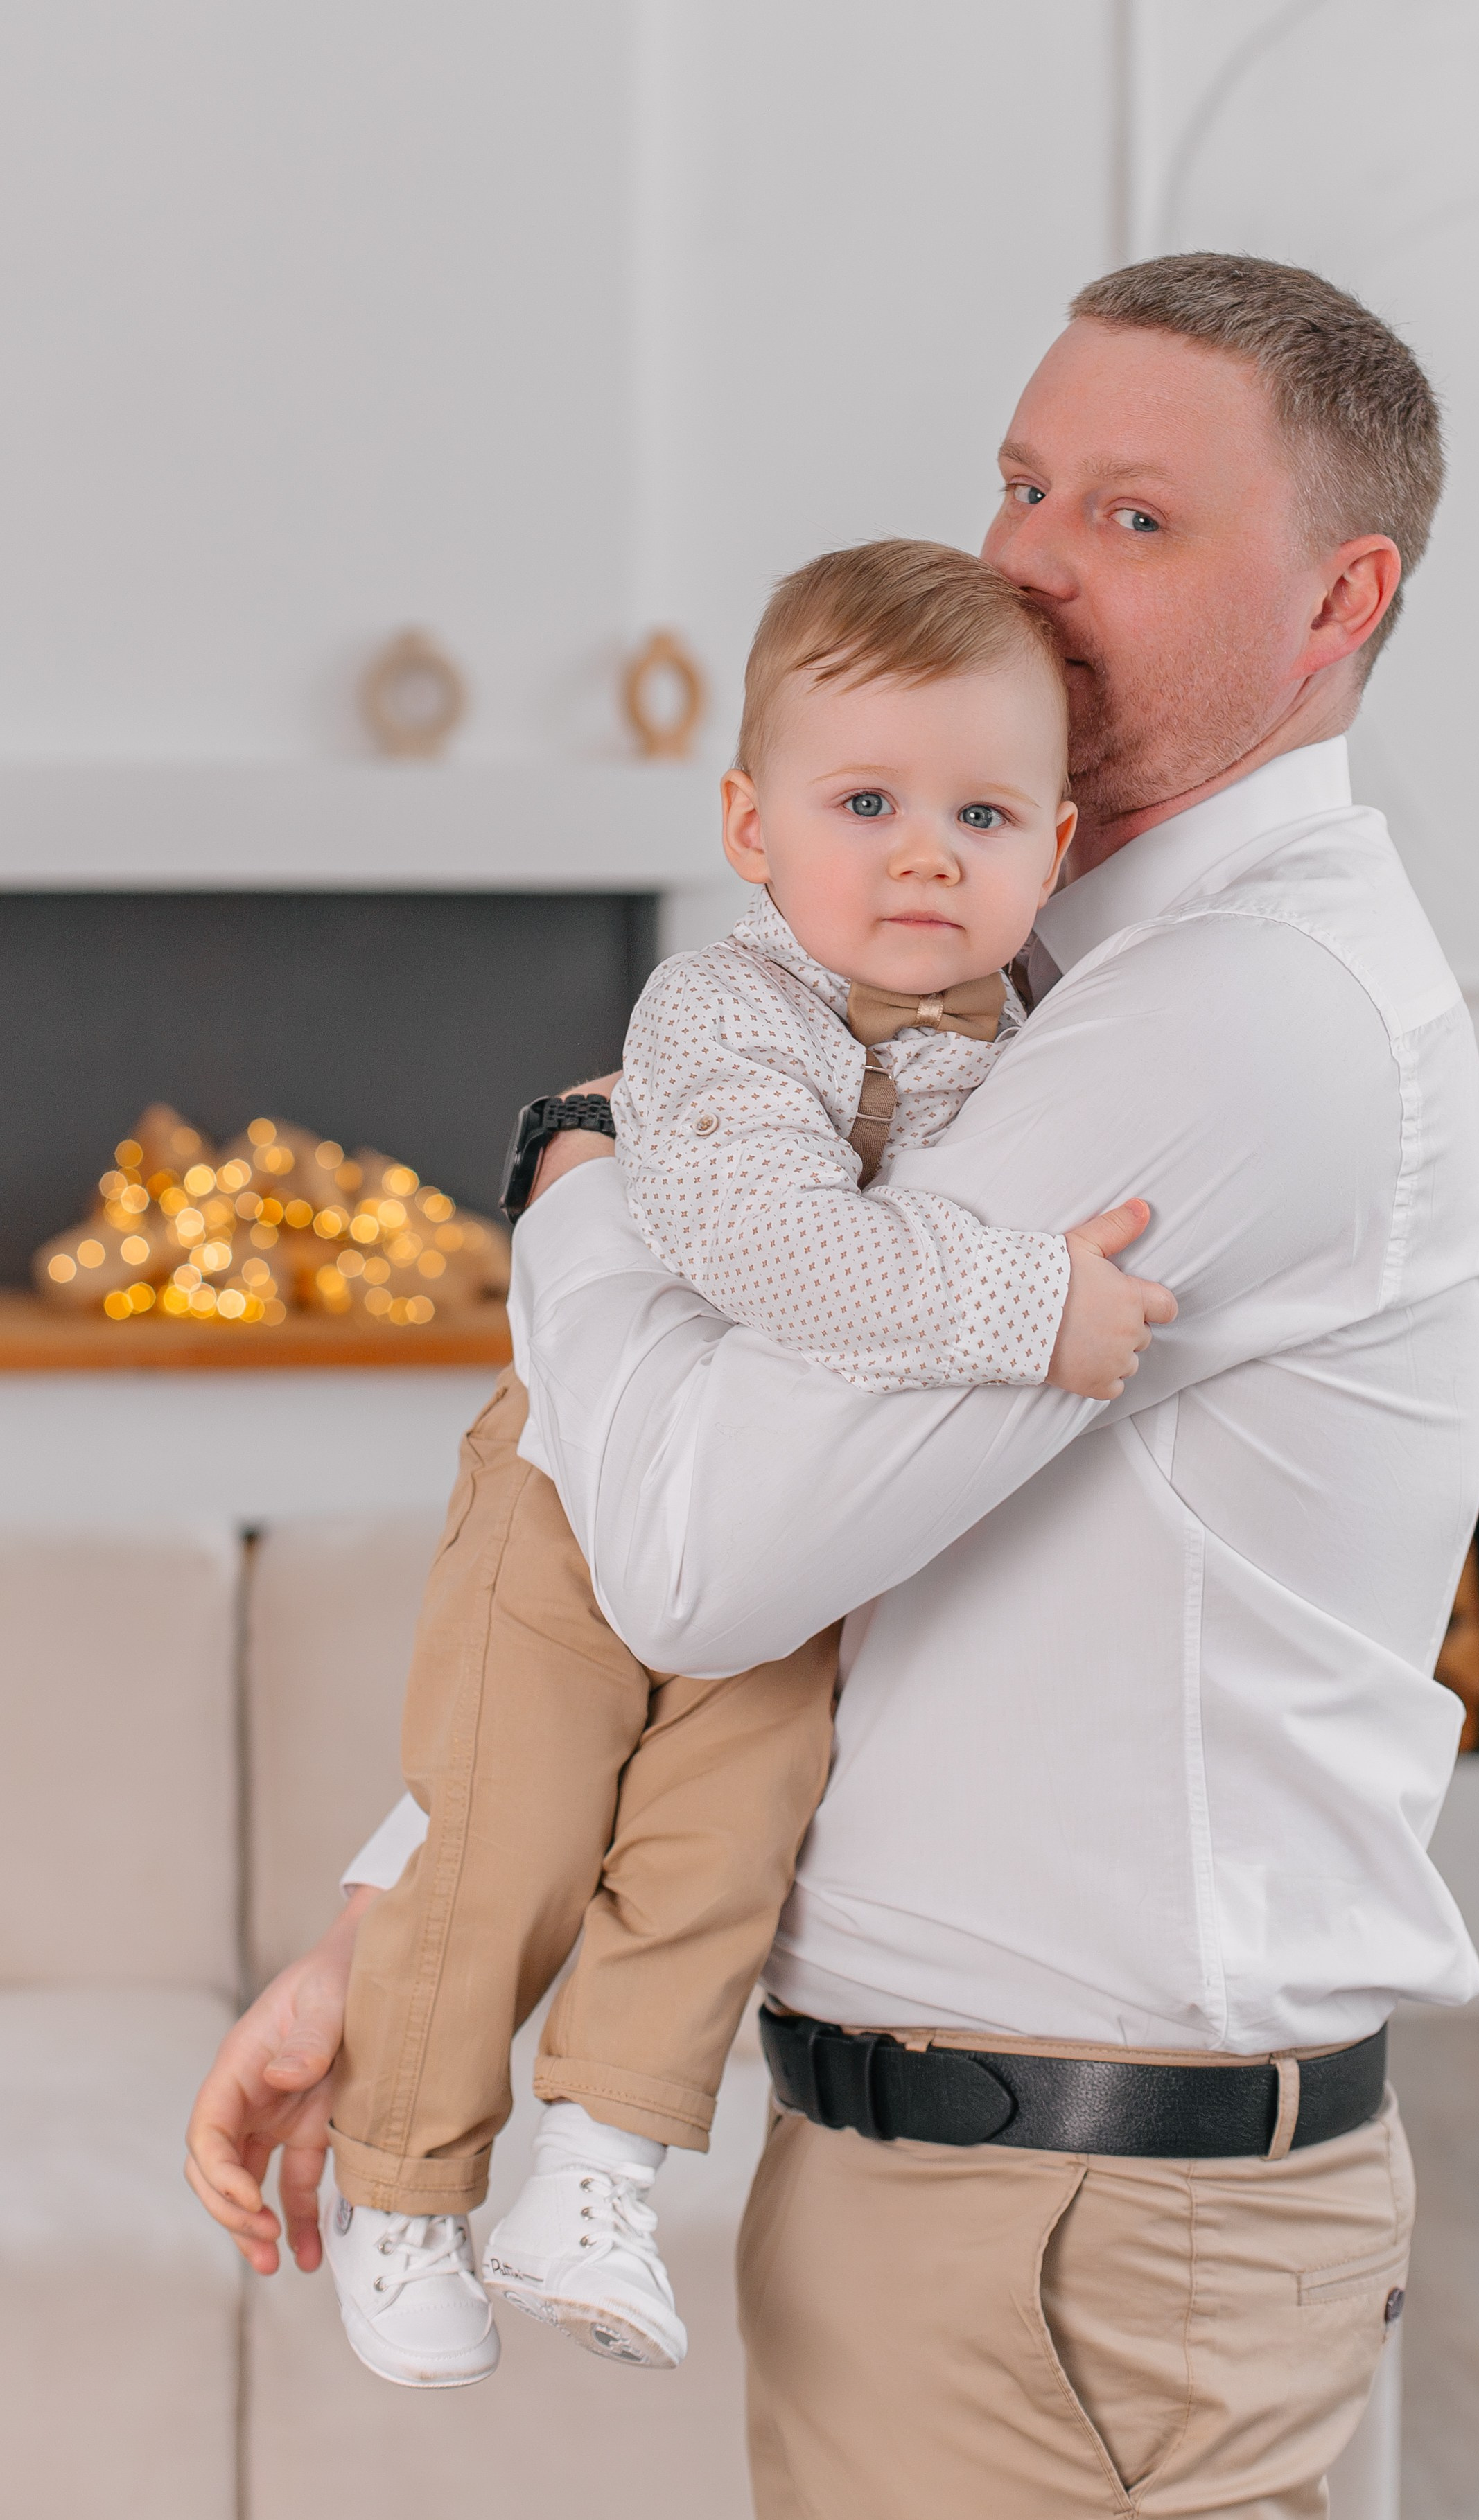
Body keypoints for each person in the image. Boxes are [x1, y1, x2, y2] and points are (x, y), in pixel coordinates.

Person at [188, 252, 1479, 2519]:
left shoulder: (1232, 1018)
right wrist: (396, 1925)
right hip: (967, 2197)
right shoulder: (1005, 983)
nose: (1028, 563)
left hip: (1073, 2233)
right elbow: (757, 1551)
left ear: (1337, 596)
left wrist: (581, 1176)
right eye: (1017, 483)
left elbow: (701, 1558)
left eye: (1135, 517)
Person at [299, 537, 1171, 2389]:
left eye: (982, 812)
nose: (925, 852)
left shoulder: (1032, 1045)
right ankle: (403, 2188)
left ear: (1061, 845)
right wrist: (1025, 1307)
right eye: (865, 803)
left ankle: (595, 2167)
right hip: (570, 1486)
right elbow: (766, 1247)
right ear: (750, 825)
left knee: (727, 1842)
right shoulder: (722, 1009)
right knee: (511, 1830)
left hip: (780, 1520)